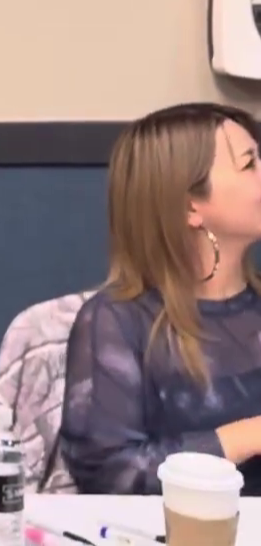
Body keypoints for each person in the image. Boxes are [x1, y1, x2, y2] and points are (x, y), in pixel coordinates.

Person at [60, 103, 261, 495]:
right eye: (249, 163)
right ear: (190, 206)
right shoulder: (117, 322)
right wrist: (245, 437)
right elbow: (110, 473)